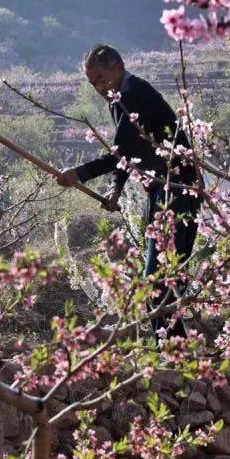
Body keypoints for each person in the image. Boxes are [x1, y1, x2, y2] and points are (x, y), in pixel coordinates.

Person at [56, 44, 200, 339]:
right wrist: (115, 189)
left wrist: (79, 174)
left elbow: (118, 154)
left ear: (118, 66)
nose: (98, 87)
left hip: (176, 189)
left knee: (159, 280)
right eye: (92, 82)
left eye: (101, 78)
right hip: (161, 190)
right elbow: (130, 153)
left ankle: (174, 350)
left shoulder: (135, 94)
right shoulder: (120, 98)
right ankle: (176, 347)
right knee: (164, 278)